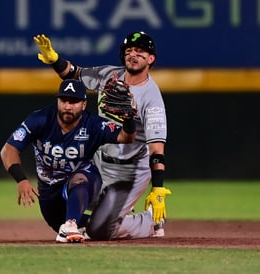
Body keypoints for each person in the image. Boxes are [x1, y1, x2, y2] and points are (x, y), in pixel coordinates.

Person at [33, 31, 172, 240]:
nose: (133, 54)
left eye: (140, 51)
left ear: (151, 59)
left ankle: (150, 222)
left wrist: (158, 189)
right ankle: (116, 212)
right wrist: (54, 59)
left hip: (130, 171)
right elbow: (75, 74)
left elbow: (157, 149)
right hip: (100, 160)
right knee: (67, 191)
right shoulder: (109, 75)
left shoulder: (151, 97)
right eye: (129, 50)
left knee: (99, 231)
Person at [0, 79, 136, 243]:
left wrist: (129, 119)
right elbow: (8, 150)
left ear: (84, 104)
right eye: (63, 100)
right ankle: (138, 222)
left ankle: (71, 223)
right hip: (49, 190)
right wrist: (21, 179)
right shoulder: (40, 119)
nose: (68, 106)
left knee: (79, 180)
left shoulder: (93, 125)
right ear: (57, 101)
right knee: (95, 231)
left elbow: (126, 137)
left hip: (85, 180)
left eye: (74, 101)